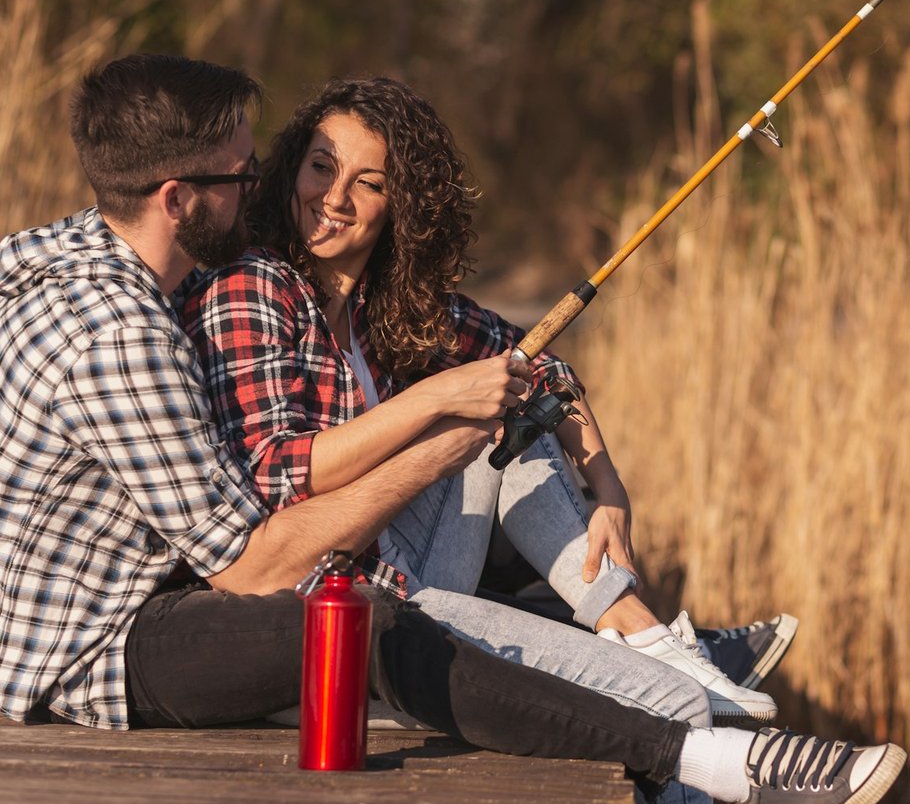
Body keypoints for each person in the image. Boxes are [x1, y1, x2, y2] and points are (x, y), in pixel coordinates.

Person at [0, 54, 906, 804]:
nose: (273, 185)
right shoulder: (157, 318)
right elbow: (257, 550)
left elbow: (531, 364)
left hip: (161, 606)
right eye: (256, 170)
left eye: (364, 181)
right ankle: (707, 736)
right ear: (179, 197)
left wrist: (598, 478)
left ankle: (644, 643)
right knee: (630, 683)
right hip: (98, 648)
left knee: (507, 429)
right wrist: (442, 420)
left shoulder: (94, 265)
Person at [178, 75, 794, 724]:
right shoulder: (255, 284)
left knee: (515, 399)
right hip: (327, 616)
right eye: (321, 168)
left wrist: (610, 493)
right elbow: (278, 471)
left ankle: (634, 626)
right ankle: (646, 640)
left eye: (369, 182)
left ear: (401, 204)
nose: (334, 198)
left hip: (407, 573)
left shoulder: (391, 308)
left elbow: (546, 368)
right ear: (291, 169)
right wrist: (434, 399)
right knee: (668, 705)